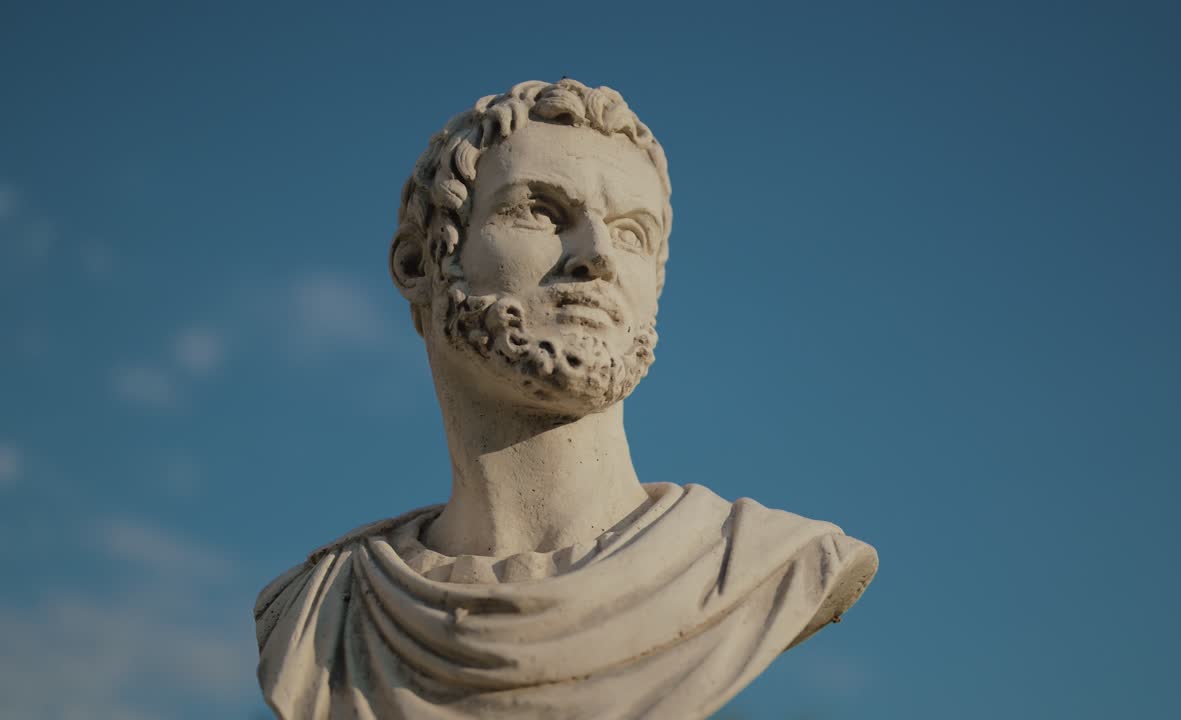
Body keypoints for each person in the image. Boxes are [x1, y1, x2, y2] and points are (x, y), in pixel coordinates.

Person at [254, 78, 878, 720]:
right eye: (542, 212)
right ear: (421, 265)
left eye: (634, 233)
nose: (598, 257)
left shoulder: (756, 563)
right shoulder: (319, 608)